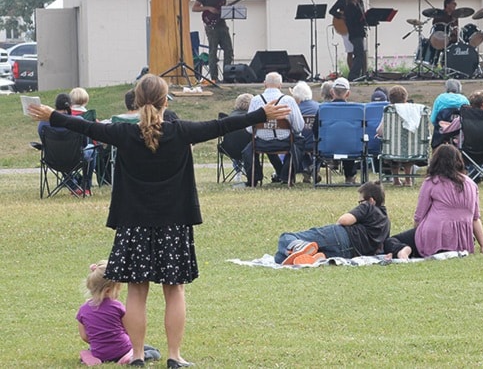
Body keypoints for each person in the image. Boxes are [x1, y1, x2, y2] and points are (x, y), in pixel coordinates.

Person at [28, 74, 291, 367]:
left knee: (137, 290)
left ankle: (138, 356)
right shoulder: (181, 131)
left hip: (133, 223)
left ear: (137, 102)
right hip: (173, 224)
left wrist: (53, 115)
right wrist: (261, 113)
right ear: (166, 101)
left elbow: (85, 126)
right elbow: (222, 125)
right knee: (174, 290)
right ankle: (174, 356)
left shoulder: (123, 133)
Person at [383, 144, 483, 259]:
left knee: (391, 241)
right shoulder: (471, 184)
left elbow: (419, 216)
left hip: (433, 233)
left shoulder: (432, 182)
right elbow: (475, 219)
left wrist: (417, 235)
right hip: (461, 241)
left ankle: (405, 250)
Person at [274, 181, 390, 264]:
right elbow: (380, 249)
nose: (360, 204)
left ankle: (301, 246)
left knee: (286, 237)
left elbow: (343, 220)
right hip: (349, 254)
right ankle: (316, 256)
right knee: (279, 258)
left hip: (342, 235)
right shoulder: (386, 222)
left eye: (361, 201)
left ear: (371, 200)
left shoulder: (368, 207)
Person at [76, 261, 161, 366]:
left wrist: (101, 342)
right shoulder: (117, 306)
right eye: (117, 289)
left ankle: (90, 357)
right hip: (122, 348)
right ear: (107, 291)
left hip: (99, 352)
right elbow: (129, 329)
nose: (118, 292)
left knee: (91, 349)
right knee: (154, 352)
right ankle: (129, 357)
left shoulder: (83, 310)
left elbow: (84, 336)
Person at [242, 72, 305, 186]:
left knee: (248, 150)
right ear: (280, 85)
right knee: (300, 143)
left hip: (261, 143)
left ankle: (254, 178)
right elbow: (299, 126)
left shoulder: (256, 100)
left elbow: (249, 129)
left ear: (264, 84)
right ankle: (286, 175)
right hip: (285, 142)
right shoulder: (289, 100)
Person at [313, 77, 359, 184]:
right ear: (348, 94)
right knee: (349, 139)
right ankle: (349, 176)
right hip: (351, 147)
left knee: (343, 139)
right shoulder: (356, 110)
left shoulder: (323, 109)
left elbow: (315, 129)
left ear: (332, 92)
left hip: (326, 146)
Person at [192, 0, 234, 82]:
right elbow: (195, 8)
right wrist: (208, 8)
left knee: (228, 50)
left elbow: (222, 8)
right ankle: (214, 78)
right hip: (210, 26)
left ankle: (227, 76)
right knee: (213, 51)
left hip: (222, 24)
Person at [329, 0, 365, 72]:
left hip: (357, 29)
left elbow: (362, 15)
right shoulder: (342, 0)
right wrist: (341, 16)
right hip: (345, 28)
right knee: (350, 51)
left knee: (361, 52)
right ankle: (352, 72)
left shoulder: (360, 2)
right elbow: (332, 11)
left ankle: (362, 73)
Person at [290, 81, 319, 183]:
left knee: (298, 140)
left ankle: (308, 167)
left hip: (299, 144)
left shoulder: (294, 109)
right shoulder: (319, 107)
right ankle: (312, 167)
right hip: (317, 143)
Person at [344, 0, 368, 80]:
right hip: (355, 34)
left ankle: (357, 74)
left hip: (357, 34)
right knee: (359, 55)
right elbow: (357, 18)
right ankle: (353, 75)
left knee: (359, 54)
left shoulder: (355, 6)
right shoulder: (351, 7)